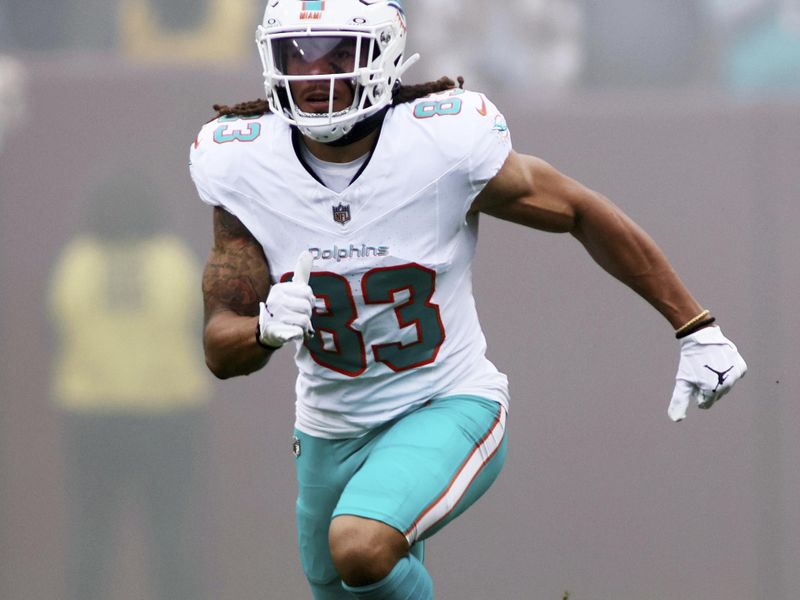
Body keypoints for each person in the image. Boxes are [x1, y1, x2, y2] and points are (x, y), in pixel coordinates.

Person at [188, 2, 747, 598]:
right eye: (296, 56)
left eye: (337, 54)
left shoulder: (441, 141)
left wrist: (695, 325)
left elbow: (579, 210)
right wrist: (264, 330)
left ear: (382, 55)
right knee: (344, 584)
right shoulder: (244, 162)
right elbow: (220, 350)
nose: (314, 76)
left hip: (445, 401)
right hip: (329, 426)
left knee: (358, 546)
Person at [49, 169, 211, 600]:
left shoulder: (77, 261)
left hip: (92, 416)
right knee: (171, 534)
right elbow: (196, 319)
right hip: (168, 415)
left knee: (91, 536)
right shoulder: (172, 260)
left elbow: (61, 322)